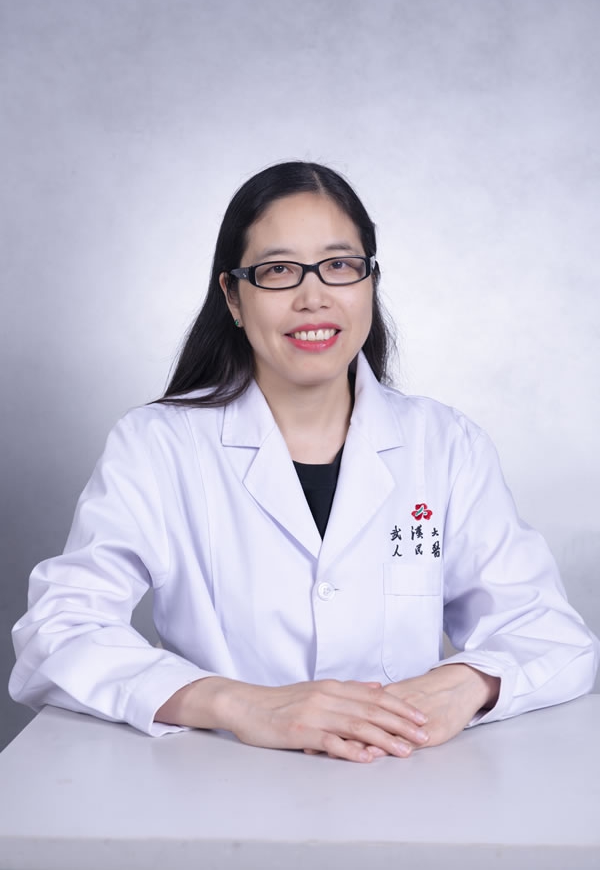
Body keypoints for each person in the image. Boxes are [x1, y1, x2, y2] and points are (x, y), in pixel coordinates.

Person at [10, 161, 599, 763]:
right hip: (217, 783)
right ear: (233, 297)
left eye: (340, 265)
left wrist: (465, 684)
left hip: (403, 785)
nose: (313, 297)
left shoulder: (446, 445)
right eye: (278, 270)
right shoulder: (158, 446)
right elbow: (57, 634)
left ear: (370, 281)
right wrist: (240, 705)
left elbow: (553, 636)